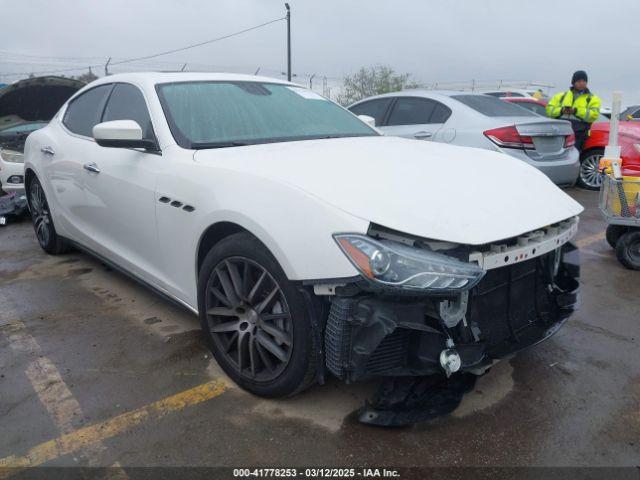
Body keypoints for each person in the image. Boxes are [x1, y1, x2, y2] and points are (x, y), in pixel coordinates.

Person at [546, 70, 601, 151]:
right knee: (556, 157)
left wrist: (576, 111)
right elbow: (549, 111)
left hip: (579, 134)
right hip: (559, 132)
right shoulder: (561, 96)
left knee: (573, 157)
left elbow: (593, 115)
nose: (582, 83)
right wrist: (561, 110)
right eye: (579, 81)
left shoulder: (593, 98)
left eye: (584, 81)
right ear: (573, 82)